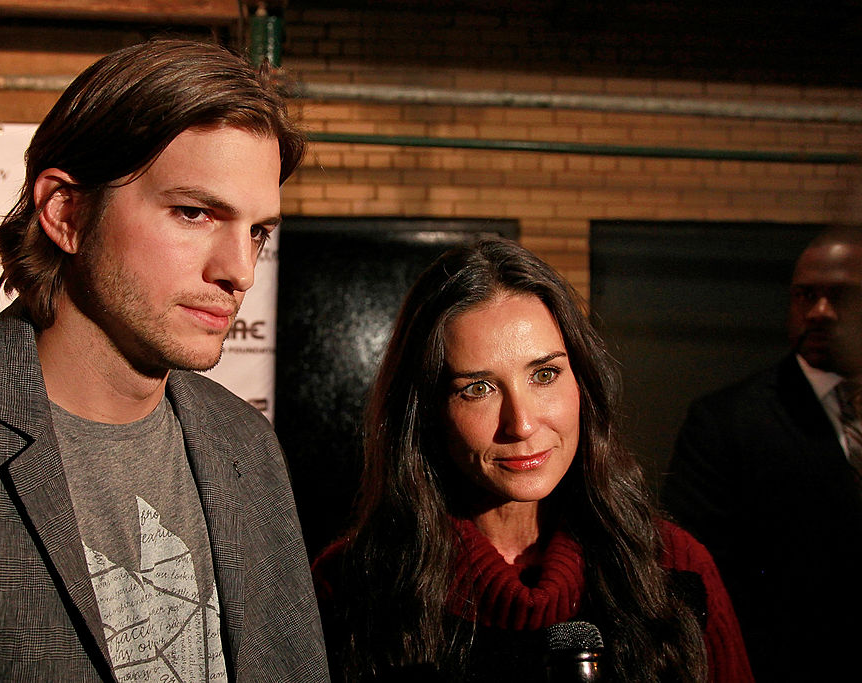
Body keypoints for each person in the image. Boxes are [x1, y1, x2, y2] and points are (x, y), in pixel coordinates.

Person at [0, 39, 329, 682]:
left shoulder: (247, 444)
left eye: (257, 231)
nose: (239, 271)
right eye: (193, 213)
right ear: (65, 211)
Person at [312, 238, 753, 682]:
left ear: (582, 382)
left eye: (545, 374)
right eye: (478, 388)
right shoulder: (351, 585)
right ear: (427, 410)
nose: (521, 424)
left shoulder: (675, 567)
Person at [662, 226, 862, 682]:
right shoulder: (726, 421)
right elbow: (694, 575)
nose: (819, 312)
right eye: (805, 296)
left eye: (841, 296)